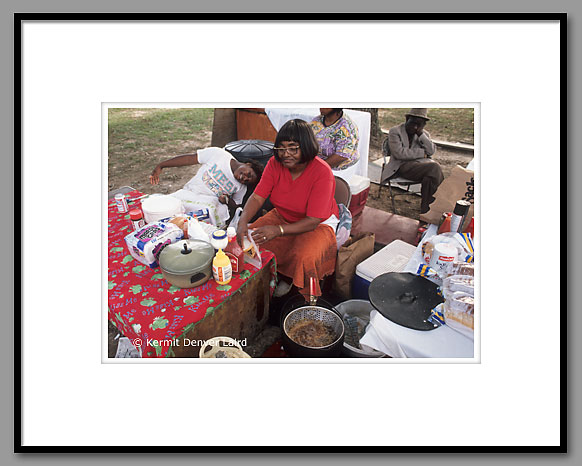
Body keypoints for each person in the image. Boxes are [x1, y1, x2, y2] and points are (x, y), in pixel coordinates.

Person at [235, 119, 339, 298]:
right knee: (250, 238)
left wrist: (279, 230)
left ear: (306, 147)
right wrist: (242, 221)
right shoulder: (274, 165)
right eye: (281, 148)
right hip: (283, 216)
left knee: (304, 256)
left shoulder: (322, 172)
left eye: (293, 148)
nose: (286, 154)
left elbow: (313, 221)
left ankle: (301, 292)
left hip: (318, 224)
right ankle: (275, 274)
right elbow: (257, 197)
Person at [149, 147, 262, 227]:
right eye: (249, 174)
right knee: (163, 210)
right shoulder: (219, 155)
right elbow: (190, 159)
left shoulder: (241, 187)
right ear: (249, 164)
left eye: (247, 181)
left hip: (208, 207)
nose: (244, 178)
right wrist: (162, 165)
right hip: (190, 192)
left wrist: (227, 200)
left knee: (191, 226)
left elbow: (236, 205)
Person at [385, 108, 444, 214]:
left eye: (419, 125)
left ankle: (426, 209)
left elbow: (431, 151)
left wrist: (421, 134)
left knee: (429, 178)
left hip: (419, 167)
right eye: (413, 123)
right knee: (435, 168)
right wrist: (422, 153)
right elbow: (400, 153)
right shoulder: (395, 131)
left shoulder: (423, 134)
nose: (415, 127)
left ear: (423, 125)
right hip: (400, 166)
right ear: (407, 119)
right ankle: (433, 207)